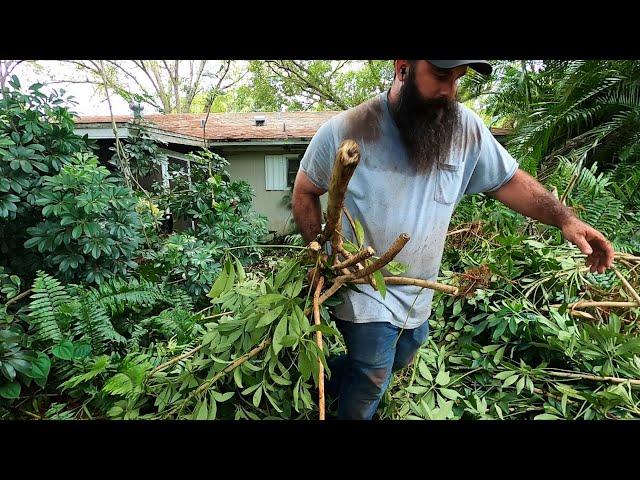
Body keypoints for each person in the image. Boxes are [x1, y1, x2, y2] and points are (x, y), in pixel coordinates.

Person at [291, 60, 615, 420]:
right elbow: (305, 190)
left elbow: (507, 180)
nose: (450, 91)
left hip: (417, 287)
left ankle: (329, 381)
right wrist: (319, 255)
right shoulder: (348, 129)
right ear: (403, 68)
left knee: (404, 350)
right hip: (363, 284)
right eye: (442, 76)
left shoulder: (463, 130)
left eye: (458, 78)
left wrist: (565, 219)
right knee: (373, 374)